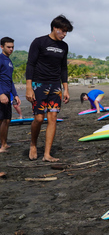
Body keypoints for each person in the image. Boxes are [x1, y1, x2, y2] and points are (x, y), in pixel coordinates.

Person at [25, 15, 73, 162]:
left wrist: (66, 89)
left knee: (52, 118)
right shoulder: (39, 42)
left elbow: (63, 68)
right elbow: (30, 64)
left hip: (55, 86)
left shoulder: (64, 46)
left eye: (66, 32)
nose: (64, 34)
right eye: (63, 31)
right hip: (39, 84)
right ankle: (33, 144)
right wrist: (29, 87)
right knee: (39, 118)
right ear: (55, 28)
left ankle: (47, 154)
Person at [0, 37, 20, 152]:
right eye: (9, 47)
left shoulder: (9, 61)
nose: (11, 49)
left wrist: (15, 94)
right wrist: (1, 93)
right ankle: (2, 145)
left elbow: (10, 80)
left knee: (7, 120)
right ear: (2, 47)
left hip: (7, 94)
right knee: (2, 120)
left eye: (12, 47)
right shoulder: (0, 59)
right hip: (2, 94)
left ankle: (4, 143)